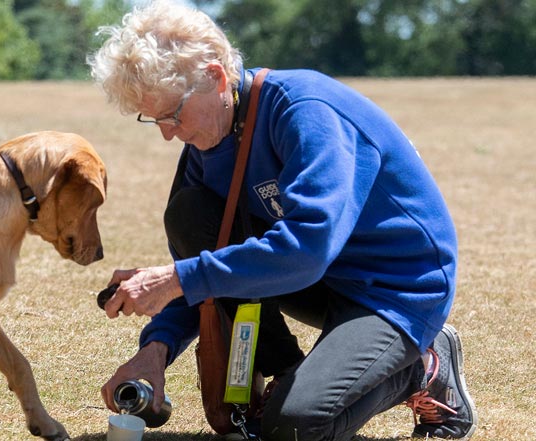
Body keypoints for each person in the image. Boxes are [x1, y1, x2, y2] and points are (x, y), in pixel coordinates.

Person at [86, 1, 477, 440]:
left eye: (173, 113)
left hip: (396, 289)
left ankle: (423, 367)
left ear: (215, 77)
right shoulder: (206, 147)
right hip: (320, 278)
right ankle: (289, 373)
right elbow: (199, 274)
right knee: (189, 213)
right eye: (154, 119)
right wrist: (155, 349)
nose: (167, 133)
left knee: (293, 426)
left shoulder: (305, 110)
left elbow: (306, 248)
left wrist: (176, 279)